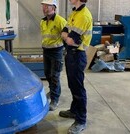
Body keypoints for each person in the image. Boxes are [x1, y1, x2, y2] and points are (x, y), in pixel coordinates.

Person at [59, 0, 93, 133]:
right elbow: (64, 31)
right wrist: (66, 36)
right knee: (72, 85)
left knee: (78, 88)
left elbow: (72, 40)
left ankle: (81, 120)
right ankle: (74, 111)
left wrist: (66, 37)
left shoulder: (84, 15)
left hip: (78, 55)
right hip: (71, 54)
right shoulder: (75, 12)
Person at [40, 0, 67, 111]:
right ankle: (52, 91)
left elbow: (66, 36)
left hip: (57, 51)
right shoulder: (42, 21)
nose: (44, 8)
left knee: (55, 76)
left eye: (47, 6)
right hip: (46, 51)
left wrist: (65, 51)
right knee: (47, 74)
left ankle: (55, 99)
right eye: (43, 6)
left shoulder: (60, 21)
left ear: (54, 8)